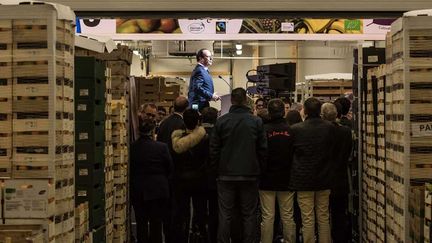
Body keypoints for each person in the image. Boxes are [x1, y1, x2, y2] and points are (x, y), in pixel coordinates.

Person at [210, 87, 267, 243]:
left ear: (232, 101)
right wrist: (260, 170)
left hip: (225, 174)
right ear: (245, 100)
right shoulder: (256, 121)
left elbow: (214, 150)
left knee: (225, 215)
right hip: (250, 174)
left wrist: (216, 171)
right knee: (249, 214)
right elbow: (262, 149)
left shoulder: (221, 121)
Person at [288, 98, 335, 243]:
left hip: (303, 179)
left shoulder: (296, 129)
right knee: (323, 216)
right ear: (319, 110)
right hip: (324, 177)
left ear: (306, 111)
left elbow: (291, 153)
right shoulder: (330, 128)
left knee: (307, 218)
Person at [130, 118, 173, 243]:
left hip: (139, 189)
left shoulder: (132, 148)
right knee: (156, 223)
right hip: (158, 189)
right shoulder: (161, 147)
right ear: (152, 131)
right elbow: (170, 167)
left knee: (141, 223)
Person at [259, 99, 295, 243]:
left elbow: (260, 154)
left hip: (266, 179)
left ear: (269, 112)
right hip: (286, 179)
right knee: (287, 216)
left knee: (267, 216)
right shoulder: (292, 130)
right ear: (284, 111)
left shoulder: (263, 130)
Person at [171, 109, 208, 243]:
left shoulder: (176, 138)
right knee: (200, 211)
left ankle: (182, 237)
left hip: (181, 180)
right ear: (198, 121)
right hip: (200, 180)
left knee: (182, 213)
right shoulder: (204, 137)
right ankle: (200, 236)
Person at [156, 96, 189, 243]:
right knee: (179, 208)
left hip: (164, 172)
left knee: (167, 208)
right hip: (179, 172)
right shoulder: (183, 125)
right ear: (186, 108)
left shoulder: (163, 123)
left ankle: (167, 234)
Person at [322, 103, 352, 243]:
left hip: (323, 179)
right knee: (339, 214)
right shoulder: (346, 132)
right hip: (341, 179)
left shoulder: (321, 132)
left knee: (323, 216)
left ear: (322, 115)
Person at [201, 107, 220, 243]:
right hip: (215, 178)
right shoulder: (218, 134)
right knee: (215, 211)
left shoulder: (196, 133)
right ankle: (213, 237)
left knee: (199, 209)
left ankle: (200, 234)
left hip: (198, 177)